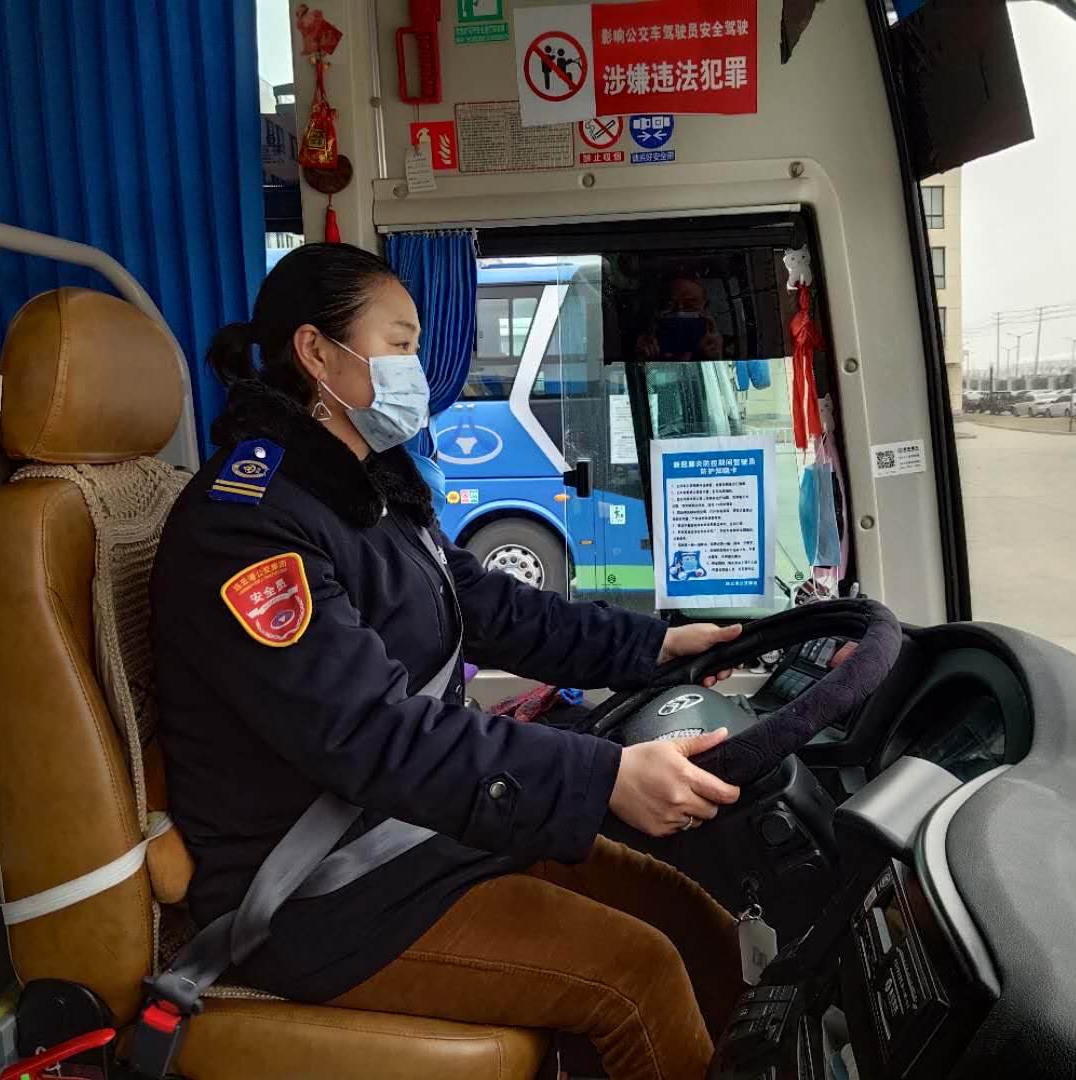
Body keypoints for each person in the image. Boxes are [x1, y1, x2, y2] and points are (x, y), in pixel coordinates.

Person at [151, 244, 750, 1079]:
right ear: (316, 352)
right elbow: (373, 735)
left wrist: (650, 646)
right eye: (398, 345)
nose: (416, 369)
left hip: (420, 833)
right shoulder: (247, 523)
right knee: (638, 971)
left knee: (693, 922)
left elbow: (484, 605)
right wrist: (602, 777)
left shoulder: (366, 489)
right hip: (326, 888)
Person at [635, 277, 725, 361]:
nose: (680, 310)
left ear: (705, 310)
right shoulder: (651, 344)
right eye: (669, 305)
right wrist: (640, 358)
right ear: (658, 311)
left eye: (690, 305)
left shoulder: (721, 347)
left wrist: (716, 360)